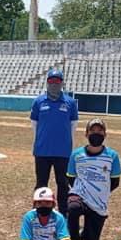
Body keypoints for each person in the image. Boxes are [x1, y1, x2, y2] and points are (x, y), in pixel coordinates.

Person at [66, 118, 121, 240]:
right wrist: (82, 191)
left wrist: (100, 192)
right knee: (73, 207)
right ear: (86, 134)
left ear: (105, 135)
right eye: (92, 131)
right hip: (79, 195)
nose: (96, 134)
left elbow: (115, 181)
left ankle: (86, 233)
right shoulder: (76, 154)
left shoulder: (112, 156)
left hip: (99, 201)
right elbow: (71, 177)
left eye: (100, 131)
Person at [30, 69, 78, 216]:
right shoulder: (39, 101)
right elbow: (34, 125)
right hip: (42, 151)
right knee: (41, 183)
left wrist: (67, 144)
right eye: (51, 81)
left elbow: (73, 127)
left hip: (63, 152)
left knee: (63, 184)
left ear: (62, 83)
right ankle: (38, 211)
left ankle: (63, 213)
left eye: (57, 81)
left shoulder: (70, 102)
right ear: (47, 82)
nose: (54, 84)